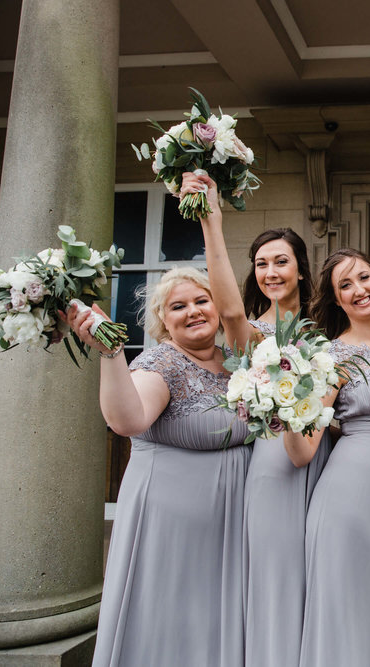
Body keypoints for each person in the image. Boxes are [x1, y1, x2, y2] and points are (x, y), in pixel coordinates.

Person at [65, 267, 250, 667]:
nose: (194, 311)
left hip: (230, 529)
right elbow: (127, 420)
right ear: (162, 321)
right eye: (178, 306)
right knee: (171, 627)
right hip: (169, 530)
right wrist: (112, 354)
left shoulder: (238, 362)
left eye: (202, 301)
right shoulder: (161, 362)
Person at [181, 172, 330, 667]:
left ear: (301, 269)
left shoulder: (328, 334)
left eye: (281, 262)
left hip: (328, 462)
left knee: (320, 577)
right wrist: (211, 222)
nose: (271, 272)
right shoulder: (254, 334)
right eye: (261, 264)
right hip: (275, 465)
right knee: (278, 575)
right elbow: (226, 308)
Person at [282, 248, 370, 667]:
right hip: (351, 497)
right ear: (337, 301)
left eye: (364, 278)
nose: (359, 290)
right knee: (349, 607)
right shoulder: (330, 359)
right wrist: (284, 405)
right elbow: (304, 450)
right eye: (346, 286)